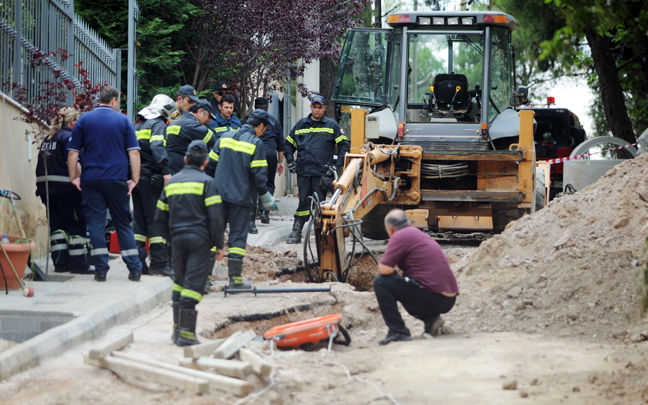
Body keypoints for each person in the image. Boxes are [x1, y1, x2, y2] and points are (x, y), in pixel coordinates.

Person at [67, 86, 142, 282]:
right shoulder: (123, 120)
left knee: (96, 224)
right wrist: (135, 179)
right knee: (123, 224)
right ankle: (134, 269)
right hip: (116, 179)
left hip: (91, 180)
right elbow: (134, 152)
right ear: (114, 101)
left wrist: (73, 177)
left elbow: (73, 153)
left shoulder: (84, 120)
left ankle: (101, 270)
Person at [155, 140, 225, 346]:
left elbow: (159, 217)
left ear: (185, 160)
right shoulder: (207, 183)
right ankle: (186, 334)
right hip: (199, 241)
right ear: (205, 162)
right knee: (193, 286)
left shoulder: (172, 183)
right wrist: (218, 245)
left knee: (180, 282)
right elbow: (216, 218)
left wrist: (171, 238)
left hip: (177, 239)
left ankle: (177, 331)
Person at [205, 109, 278, 289]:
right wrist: (265, 195)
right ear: (260, 126)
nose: (263, 132)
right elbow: (259, 175)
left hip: (217, 195)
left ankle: (204, 279)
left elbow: (210, 166)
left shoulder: (225, 137)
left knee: (213, 235)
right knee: (237, 237)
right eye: (264, 129)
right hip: (240, 197)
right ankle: (235, 280)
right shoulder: (256, 143)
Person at [373, 209, 459, 345]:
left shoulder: (399, 235)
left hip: (433, 296)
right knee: (409, 281)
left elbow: (384, 269)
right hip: (447, 298)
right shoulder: (417, 234)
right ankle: (432, 320)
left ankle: (398, 331)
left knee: (381, 282)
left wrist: (397, 278)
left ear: (390, 229)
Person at [284, 94, 350, 244]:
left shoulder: (332, 125)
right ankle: (297, 230)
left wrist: (337, 165)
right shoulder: (301, 125)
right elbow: (288, 144)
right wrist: (289, 161)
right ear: (311, 107)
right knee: (303, 203)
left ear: (324, 108)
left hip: (322, 173)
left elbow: (344, 145)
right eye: (315, 107)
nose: (317, 110)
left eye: (320, 108)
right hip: (303, 172)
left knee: (320, 205)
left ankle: (322, 234)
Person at [35, 107, 93, 275]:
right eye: (78, 121)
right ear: (72, 121)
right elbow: (72, 161)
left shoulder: (48, 138)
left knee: (57, 228)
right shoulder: (68, 137)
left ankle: (60, 264)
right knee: (76, 226)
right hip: (66, 189)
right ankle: (79, 265)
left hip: (47, 190)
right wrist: (84, 179)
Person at [132, 94, 176, 278]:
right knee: (156, 220)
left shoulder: (138, 124)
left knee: (139, 223)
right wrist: (165, 171)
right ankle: (158, 263)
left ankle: (138, 264)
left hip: (136, 178)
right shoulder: (157, 124)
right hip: (152, 178)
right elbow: (158, 147)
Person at [243, 97, 285, 233]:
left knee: (252, 183)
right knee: (269, 183)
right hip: (270, 154)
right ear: (267, 108)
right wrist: (280, 162)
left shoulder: (247, 120)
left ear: (255, 107)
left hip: (252, 152)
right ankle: (264, 212)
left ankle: (252, 215)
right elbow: (280, 145)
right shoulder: (274, 121)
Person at [166, 86, 215, 175]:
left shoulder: (178, 119)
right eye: (190, 101)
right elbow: (212, 139)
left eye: (194, 103)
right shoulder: (170, 116)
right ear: (180, 99)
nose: (191, 106)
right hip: (179, 172)